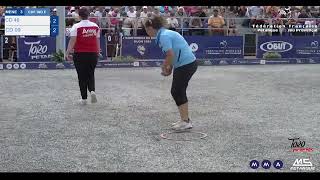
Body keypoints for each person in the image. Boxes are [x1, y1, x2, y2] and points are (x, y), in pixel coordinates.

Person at [145, 15, 198, 131]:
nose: (147, 33)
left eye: (146, 30)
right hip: (185, 64)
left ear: (150, 28)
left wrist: (164, 67)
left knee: (177, 91)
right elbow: (175, 52)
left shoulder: (164, 36)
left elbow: (170, 54)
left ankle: (186, 121)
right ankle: (185, 120)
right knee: (177, 91)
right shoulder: (165, 34)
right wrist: (170, 67)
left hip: (186, 64)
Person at [66, 7, 100, 105]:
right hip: (93, 53)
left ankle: (84, 98)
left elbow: (73, 41)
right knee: (90, 73)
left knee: (81, 76)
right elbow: (97, 40)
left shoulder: (76, 26)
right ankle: (92, 91)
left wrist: (67, 52)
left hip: (80, 54)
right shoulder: (95, 26)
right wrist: (98, 51)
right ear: (88, 15)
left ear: (79, 15)